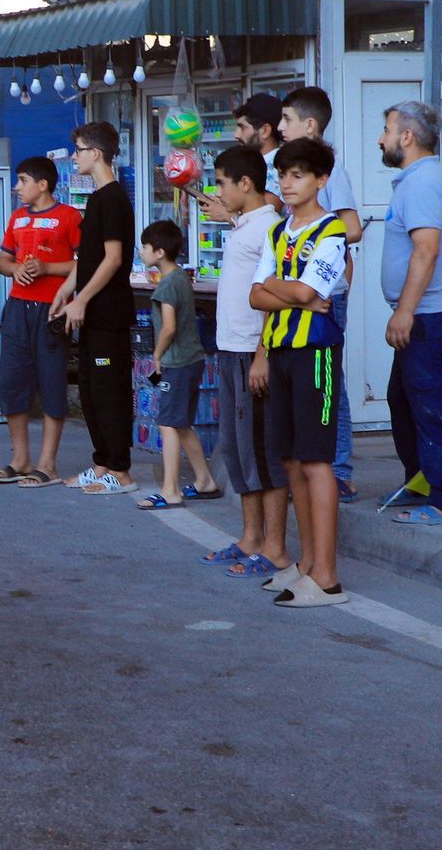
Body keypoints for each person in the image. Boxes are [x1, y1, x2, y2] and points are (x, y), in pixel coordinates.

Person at [249, 138, 350, 606]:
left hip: (315, 352)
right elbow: (259, 296)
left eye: (298, 176)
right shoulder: (278, 232)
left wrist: (281, 287)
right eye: (283, 176)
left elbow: (313, 293)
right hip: (282, 352)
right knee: (291, 461)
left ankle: (327, 577)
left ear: (321, 180)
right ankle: (307, 565)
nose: (287, 185)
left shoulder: (332, 232)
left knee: (316, 460)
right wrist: (284, 288)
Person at [378, 100, 442, 525]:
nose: (382, 138)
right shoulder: (428, 179)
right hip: (427, 313)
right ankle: (421, 482)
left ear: (407, 137)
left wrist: (406, 312)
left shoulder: (423, 183)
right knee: (403, 399)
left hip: (428, 316)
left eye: (387, 130)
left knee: (432, 406)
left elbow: (426, 249)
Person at [202, 144, 291, 580]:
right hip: (230, 349)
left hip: (253, 353)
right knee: (239, 452)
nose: (217, 191)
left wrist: (262, 355)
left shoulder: (271, 228)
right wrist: (228, 216)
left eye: (221, 182)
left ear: (245, 183)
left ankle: (275, 548)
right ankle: (250, 537)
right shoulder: (248, 224)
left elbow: (275, 298)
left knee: (263, 451)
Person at [279, 86, 363, 503]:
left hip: (325, 294)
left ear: (309, 126)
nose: (280, 128)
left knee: (332, 384)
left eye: (287, 120)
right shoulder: (292, 176)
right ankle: (314, 473)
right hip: (295, 295)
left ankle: (340, 472)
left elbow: (352, 226)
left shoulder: (331, 173)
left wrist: (316, 247)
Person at [52, 121, 138, 495]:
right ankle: (102, 463)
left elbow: (114, 258)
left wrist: (82, 299)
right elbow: (88, 260)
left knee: (108, 390)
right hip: (90, 315)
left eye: (79, 150)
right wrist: (66, 292)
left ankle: (120, 470)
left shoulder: (114, 198)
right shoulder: (97, 198)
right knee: (88, 389)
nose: (75, 157)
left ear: (96, 153)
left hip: (108, 316)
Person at [0, 156, 78, 486]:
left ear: (43, 185)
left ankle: (48, 464)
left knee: (53, 382)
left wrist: (47, 269)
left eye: (23, 180)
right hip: (17, 308)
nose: (17, 187)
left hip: (53, 310)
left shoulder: (69, 217)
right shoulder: (16, 218)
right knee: (11, 381)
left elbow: (86, 264)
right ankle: (21, 458)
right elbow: (3, 259)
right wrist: (15, 269)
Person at [136, 220, 218, 509]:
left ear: (159, 252)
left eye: (145, 247)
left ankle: (170, 489)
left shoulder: (167, 286)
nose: (142, 251)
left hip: (176, 362)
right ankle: (204, 479)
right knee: (182, 424)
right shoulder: (182, 278)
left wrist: (156, 354)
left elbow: (168, 327)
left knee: (167, 423)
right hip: (192, 360)